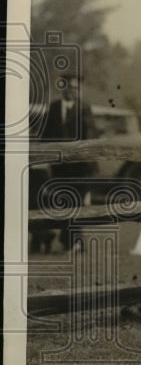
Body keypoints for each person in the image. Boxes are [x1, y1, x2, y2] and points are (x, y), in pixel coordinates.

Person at [34, 72, 99, 252]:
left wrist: (87, 159)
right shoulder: (54, 108)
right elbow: (45, 136)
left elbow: (91, 135)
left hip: (80, 167)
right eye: (70, 87)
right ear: (63, 87)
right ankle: (69, 240)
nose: (73, 91)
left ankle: (75, 241)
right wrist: (45, 158)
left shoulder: (84, 108)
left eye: (76, 87)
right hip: (59, 167)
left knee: (76, 201)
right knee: (64, 202)